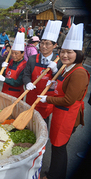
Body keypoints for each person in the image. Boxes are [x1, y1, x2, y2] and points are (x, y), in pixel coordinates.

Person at [38, 24, 89, 179]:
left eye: (70, 52)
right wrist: (54, 85)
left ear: (78, 53)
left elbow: (68, 100)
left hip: (68, 115)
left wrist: (47, 98)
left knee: (59, 147)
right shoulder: (67, 68)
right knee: (57, 146)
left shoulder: (79, 72)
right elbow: (64, 89)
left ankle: (54, 176)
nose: (65, 55)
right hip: (60, 113)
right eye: (63, 51)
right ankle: (54, 174)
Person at [23, 20, 62, 122]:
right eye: (42, 43)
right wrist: (27, 83)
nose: (44, 46)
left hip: (46, 98)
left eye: (48, 44)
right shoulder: (32, 59)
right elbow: (26, 74)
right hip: (32, 95)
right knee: (28, 121)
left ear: (55, 45)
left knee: (43, 123)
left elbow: (62, 81)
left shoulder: (59, 62)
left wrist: (55, 71)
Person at [0, 32, 26, 98]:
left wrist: (4, 79)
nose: (13, 55)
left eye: (16, 53)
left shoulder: (24, 65)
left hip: (15, 95)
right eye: (12, 53)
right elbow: (4, 74)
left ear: (22, 54)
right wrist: (3, 68)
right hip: (5, 91)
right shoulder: (10, 61)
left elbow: (18, 82)